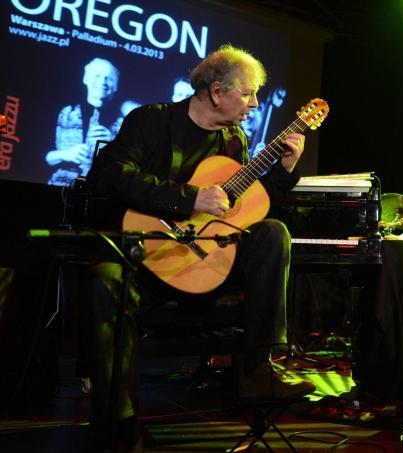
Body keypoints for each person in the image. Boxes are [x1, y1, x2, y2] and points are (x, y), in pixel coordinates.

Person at [83, 44, 314, 450]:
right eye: (248, 93)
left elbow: (248, 210)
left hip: (205, 264)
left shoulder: (234, 141)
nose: (255, 103)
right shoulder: (151, 122)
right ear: (217, 91)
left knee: (273, 232)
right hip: (145, 262)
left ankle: (258, 368)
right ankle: (117, 418)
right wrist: (188, 198)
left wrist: (284, 172)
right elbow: (108, 175)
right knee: (106, 277)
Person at [46, 57, 125, 186]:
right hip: (60, 187)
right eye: (97, 76)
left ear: (115, 86)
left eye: (109, 78)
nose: (102, 82)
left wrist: (114, 144)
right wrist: (67, 154)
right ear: (86, 79)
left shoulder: (124, 122)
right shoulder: (64, 112)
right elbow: (43, 156)